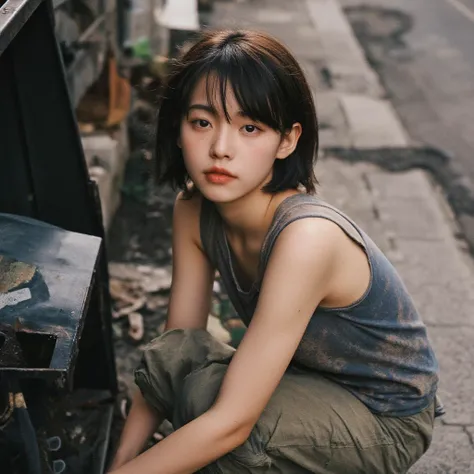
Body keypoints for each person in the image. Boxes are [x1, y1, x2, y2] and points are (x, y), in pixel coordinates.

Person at [108, 29, 443, 474]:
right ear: (178, 128)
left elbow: (231, 423)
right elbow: (173, 352)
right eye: (202, 122)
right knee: (187, 374)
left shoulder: (306, 239)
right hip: (302, 381)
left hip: (384, 417)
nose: (220, 149)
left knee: (218, 420)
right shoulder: (193, 209)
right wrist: (123, 459)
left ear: (287, 140)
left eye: (250, 128)